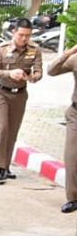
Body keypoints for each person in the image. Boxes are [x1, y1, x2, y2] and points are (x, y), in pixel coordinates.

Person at [0, 18, 43, 184]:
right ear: (14, 32)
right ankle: (0, 168)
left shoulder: (35, 50)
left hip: (19, 94)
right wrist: (10, 73)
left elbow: (39, 73)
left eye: (27, 35)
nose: (24, 39)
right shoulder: (2, 48)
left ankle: (6, 166)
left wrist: (30, 77)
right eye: (21, 35)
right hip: (1, 92)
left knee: (12, 132)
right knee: (1, 129)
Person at [46, 44, 77, 213]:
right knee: (72, 157)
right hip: (75, 114)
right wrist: (68, 52)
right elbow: (51, 70)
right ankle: (73, 198)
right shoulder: (75, 59)